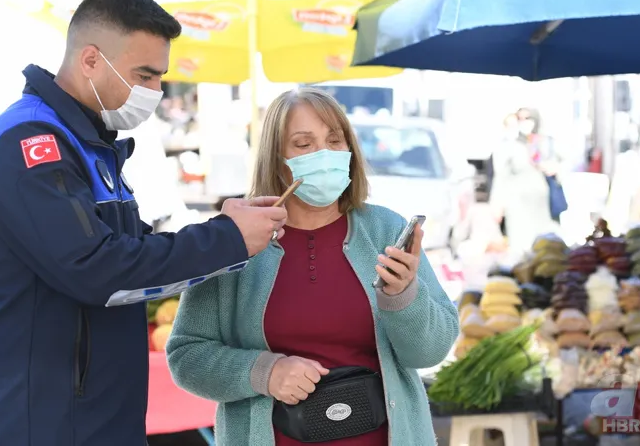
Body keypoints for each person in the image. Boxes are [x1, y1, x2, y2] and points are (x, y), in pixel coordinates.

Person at [0, 0, 287, 446]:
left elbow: (133, 254)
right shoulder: (30, 144)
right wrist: (228, 239)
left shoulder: (92, 145)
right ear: (90, 60)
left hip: (98, 418)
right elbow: (100, 270)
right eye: (145, 75)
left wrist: (223, 226)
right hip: (38, 424)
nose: (155, 92)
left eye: (160, 78)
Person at [166, 87, 459, 446]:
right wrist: (264, 372)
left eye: (335, 140)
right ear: (277, 159)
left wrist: (403, 297)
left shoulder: (386, 230)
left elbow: (430, 352)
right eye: (304, 144)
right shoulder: (234, 240)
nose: (324, 154)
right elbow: (187, 356)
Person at [489, 109, 560, 256]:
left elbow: (565, 164)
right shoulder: (510, 145)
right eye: (520, 119)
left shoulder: (546, 143)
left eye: (528, 118)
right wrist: (497, 203)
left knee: (544, 247)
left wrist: (555, 168)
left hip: (542, 204)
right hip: (518, 204)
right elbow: (501, 176)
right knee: (521, 248)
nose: (524, 122)